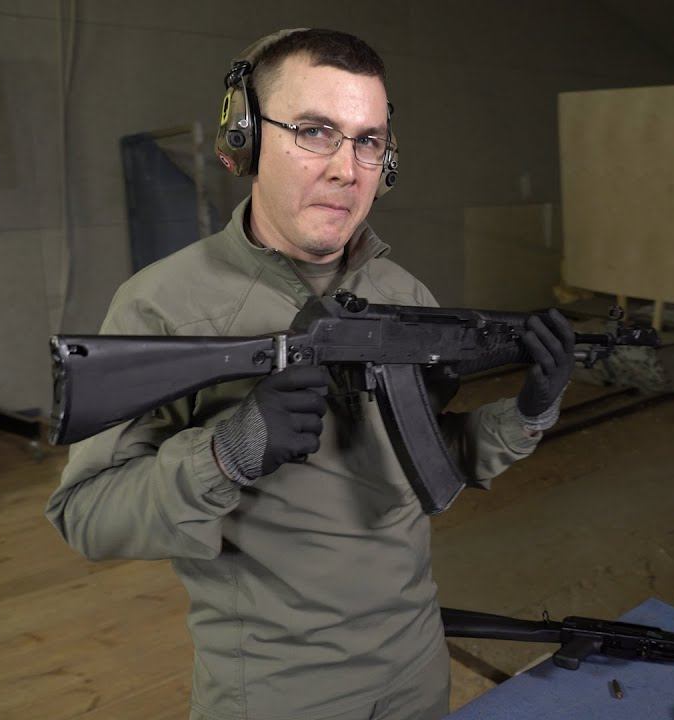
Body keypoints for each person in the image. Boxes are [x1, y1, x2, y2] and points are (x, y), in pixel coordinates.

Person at [45, 29, 574, 720]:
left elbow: (430, 462)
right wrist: (225, 454)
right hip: (279, 686)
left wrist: (528, 412)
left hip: (417, 659)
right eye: (315, 132)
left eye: (368, 141)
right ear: (246, 140)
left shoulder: (404, 295)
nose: (346, 169)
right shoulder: (163, 304)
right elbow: (85, 516)